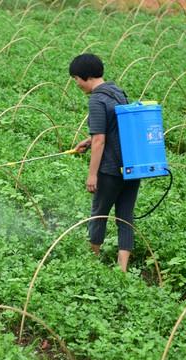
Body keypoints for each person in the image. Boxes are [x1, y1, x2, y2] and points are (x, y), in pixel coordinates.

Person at [69, 53, 141, 273]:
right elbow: (116, 129)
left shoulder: (97, 99)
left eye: (76, 79)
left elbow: (101, 140)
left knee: (99, 213)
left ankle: (92, 263)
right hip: (131, 166)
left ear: (86, 76)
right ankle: (122, 271)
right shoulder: (117, 92)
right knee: (125, 217)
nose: (76, 84)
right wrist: (89, 141)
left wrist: (93, 175)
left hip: (110, 170)